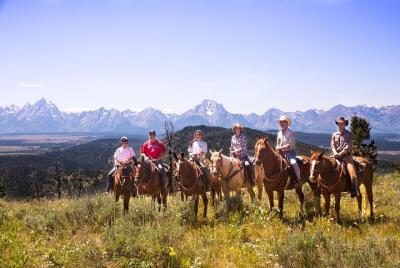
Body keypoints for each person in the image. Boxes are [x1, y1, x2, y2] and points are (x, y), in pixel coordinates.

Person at [331, 117, 360, 198]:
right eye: (339, 123)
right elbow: (332, 146)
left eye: (342, 123)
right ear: (337, 124)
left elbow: (347, 147)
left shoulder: (349, 134)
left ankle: (354, 189)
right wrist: (335, 153)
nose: (341, 125)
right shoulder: (334, 134)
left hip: (347, 157)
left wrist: (339, 154)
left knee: (353, 174)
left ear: (345, 124)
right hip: (336, 155)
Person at [275, 115, 301, 189]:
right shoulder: (279, 133)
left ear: (287, 123)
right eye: (281, 122)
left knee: (294, 163)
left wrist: (280, 147)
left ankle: (297, 180)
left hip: (289, 152)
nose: (282, 123)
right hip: (280, 152)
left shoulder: (291, 133)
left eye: (283, 122)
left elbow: (290, 145)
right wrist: (277, 148)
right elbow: (277, 144)